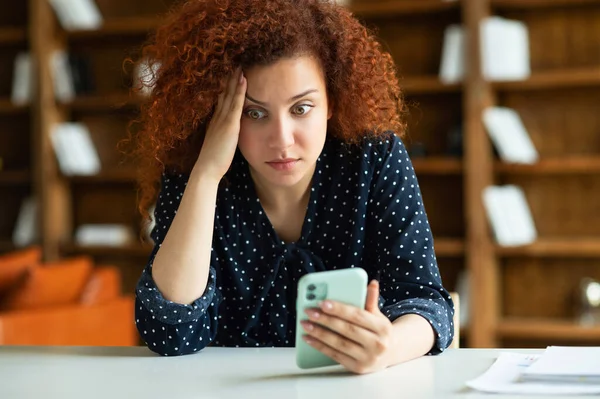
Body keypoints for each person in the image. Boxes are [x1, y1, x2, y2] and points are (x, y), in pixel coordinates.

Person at [129, 0, 454, 375]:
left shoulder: (374, 158)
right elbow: (170, 332)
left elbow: (427, 302)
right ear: (217, 112)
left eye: (301, 109)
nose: (282, 140)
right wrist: (206, 175)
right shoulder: (194, 168)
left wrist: (387, 347)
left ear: (332, 101)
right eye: (255, 113)